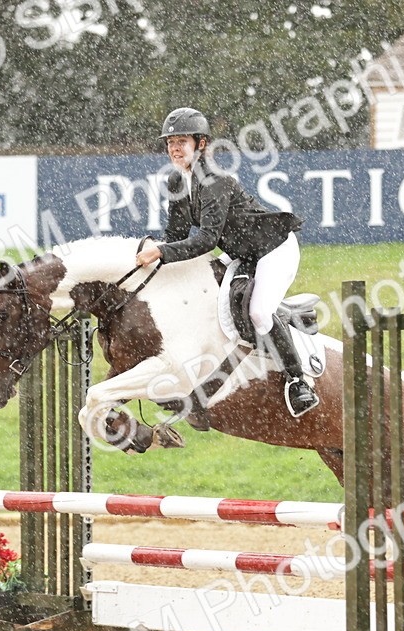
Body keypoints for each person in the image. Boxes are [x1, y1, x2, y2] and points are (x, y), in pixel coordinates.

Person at [135, 107, 320, 418]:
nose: (174, 148)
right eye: (170, 142)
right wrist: (156, 251)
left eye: (181, 141)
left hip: (274, 249)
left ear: (202, 144)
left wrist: (162, 253)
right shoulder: (177, 181)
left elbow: (206, 240)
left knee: (259, 313)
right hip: (242, 254)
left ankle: (298, 381)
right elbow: (176, 234)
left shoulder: (216, 181)